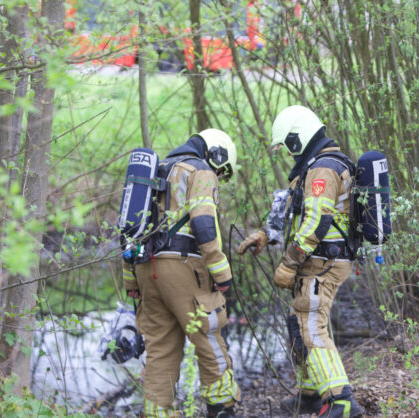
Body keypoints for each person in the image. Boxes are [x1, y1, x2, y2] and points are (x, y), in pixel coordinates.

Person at [238, 105, 362, 418]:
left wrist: (289, 263)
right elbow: (294, 211)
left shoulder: (323, 169)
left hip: (324, 262)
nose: (288, 153)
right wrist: (266, 235)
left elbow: (317, 221)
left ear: (298, 137)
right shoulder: (314, 166)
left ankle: (341, 401)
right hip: (320, 259)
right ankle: (309, 394)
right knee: (299, 323)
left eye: (287, 145)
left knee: (311, 326)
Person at [123, 129, 240, 418]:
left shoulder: (153, 173)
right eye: (221, 170)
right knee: (208, 335)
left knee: (160, 349)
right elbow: (203, 225)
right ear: (217, 154)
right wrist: (221, 272)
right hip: (184, 269)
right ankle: (222, 408)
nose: (218, 174)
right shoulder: (200, 171)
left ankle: (156, 412)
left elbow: (127, 229)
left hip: (145, 269)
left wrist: (130, 279)